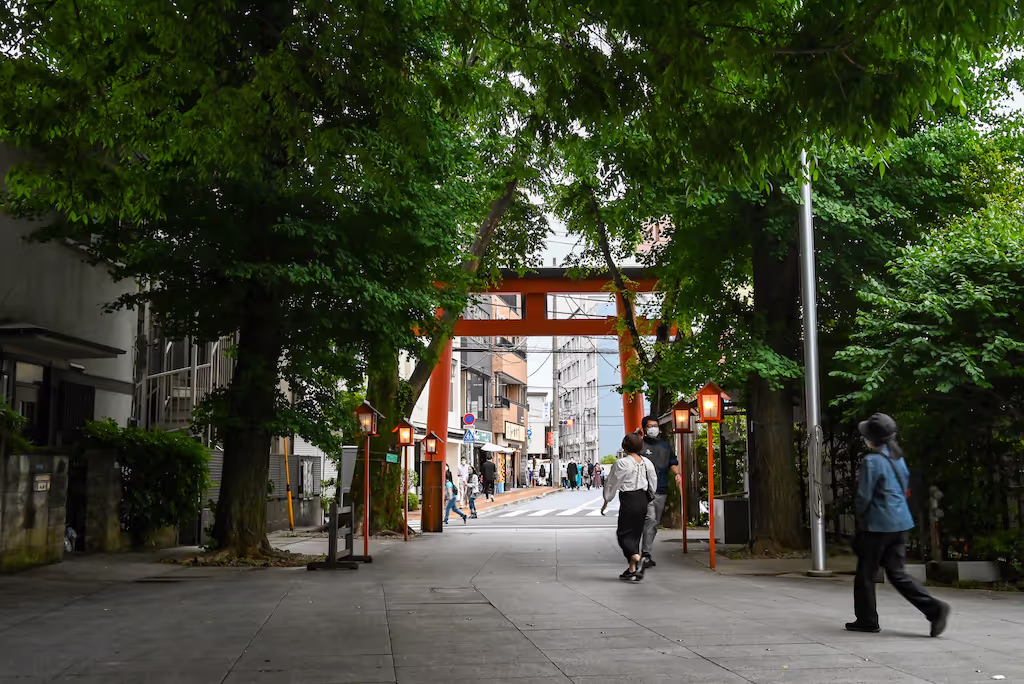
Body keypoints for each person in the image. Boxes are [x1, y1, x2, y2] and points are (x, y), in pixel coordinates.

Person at [848, 413, 950, 636]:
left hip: (878, 524)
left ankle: (867, 620)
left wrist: (861, 520)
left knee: (866, 573)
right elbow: (903, 489)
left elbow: (864, 497)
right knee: (897, 573)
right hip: (900, 522)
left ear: (872, 439)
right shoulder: (898, 458)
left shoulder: (871, 461)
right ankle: (934, 609)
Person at [601, 433, 657, 582]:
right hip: (643, 500)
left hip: (629, 500)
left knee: (623, 534)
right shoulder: (646, 462)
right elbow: (653, 481)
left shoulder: (622, 463)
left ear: (625, 446)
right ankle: (632, 569)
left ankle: (638, 558)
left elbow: (612, 483)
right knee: (635, 534)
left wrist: (607, 500)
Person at [639, 416, 681, 569]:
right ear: (644, 429)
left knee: (654, 523)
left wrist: (677, 474)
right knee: (649, 520)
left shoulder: (665, 446)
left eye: (655, 426)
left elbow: (673, 463)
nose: (653, 428)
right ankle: (644, 554)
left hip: (661, 489)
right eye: (650, 426)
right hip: (643, 489)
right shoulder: (639, 445)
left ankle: (646, 552)